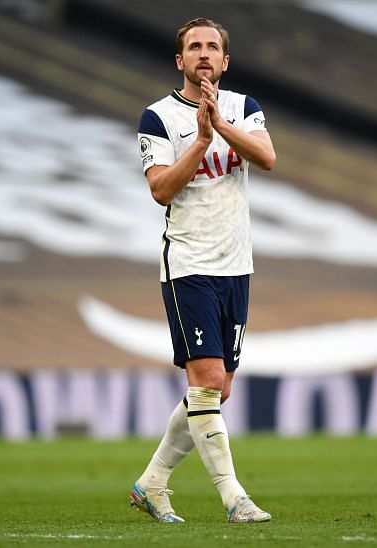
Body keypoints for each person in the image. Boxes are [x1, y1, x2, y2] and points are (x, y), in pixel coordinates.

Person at [130, 17, 276, 523]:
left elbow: (268, 157)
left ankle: (152, 482)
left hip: (237, 263)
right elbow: (161, 189)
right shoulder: (158, 117)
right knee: (209, 379)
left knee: (215, 389)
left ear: (226, 60)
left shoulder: (244, 107)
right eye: (194, 47)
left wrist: (222, 125)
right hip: (188, 262)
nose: (204, 55)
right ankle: (235, 498)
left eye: (213, 47)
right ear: (180, 60)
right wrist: (200, 139)